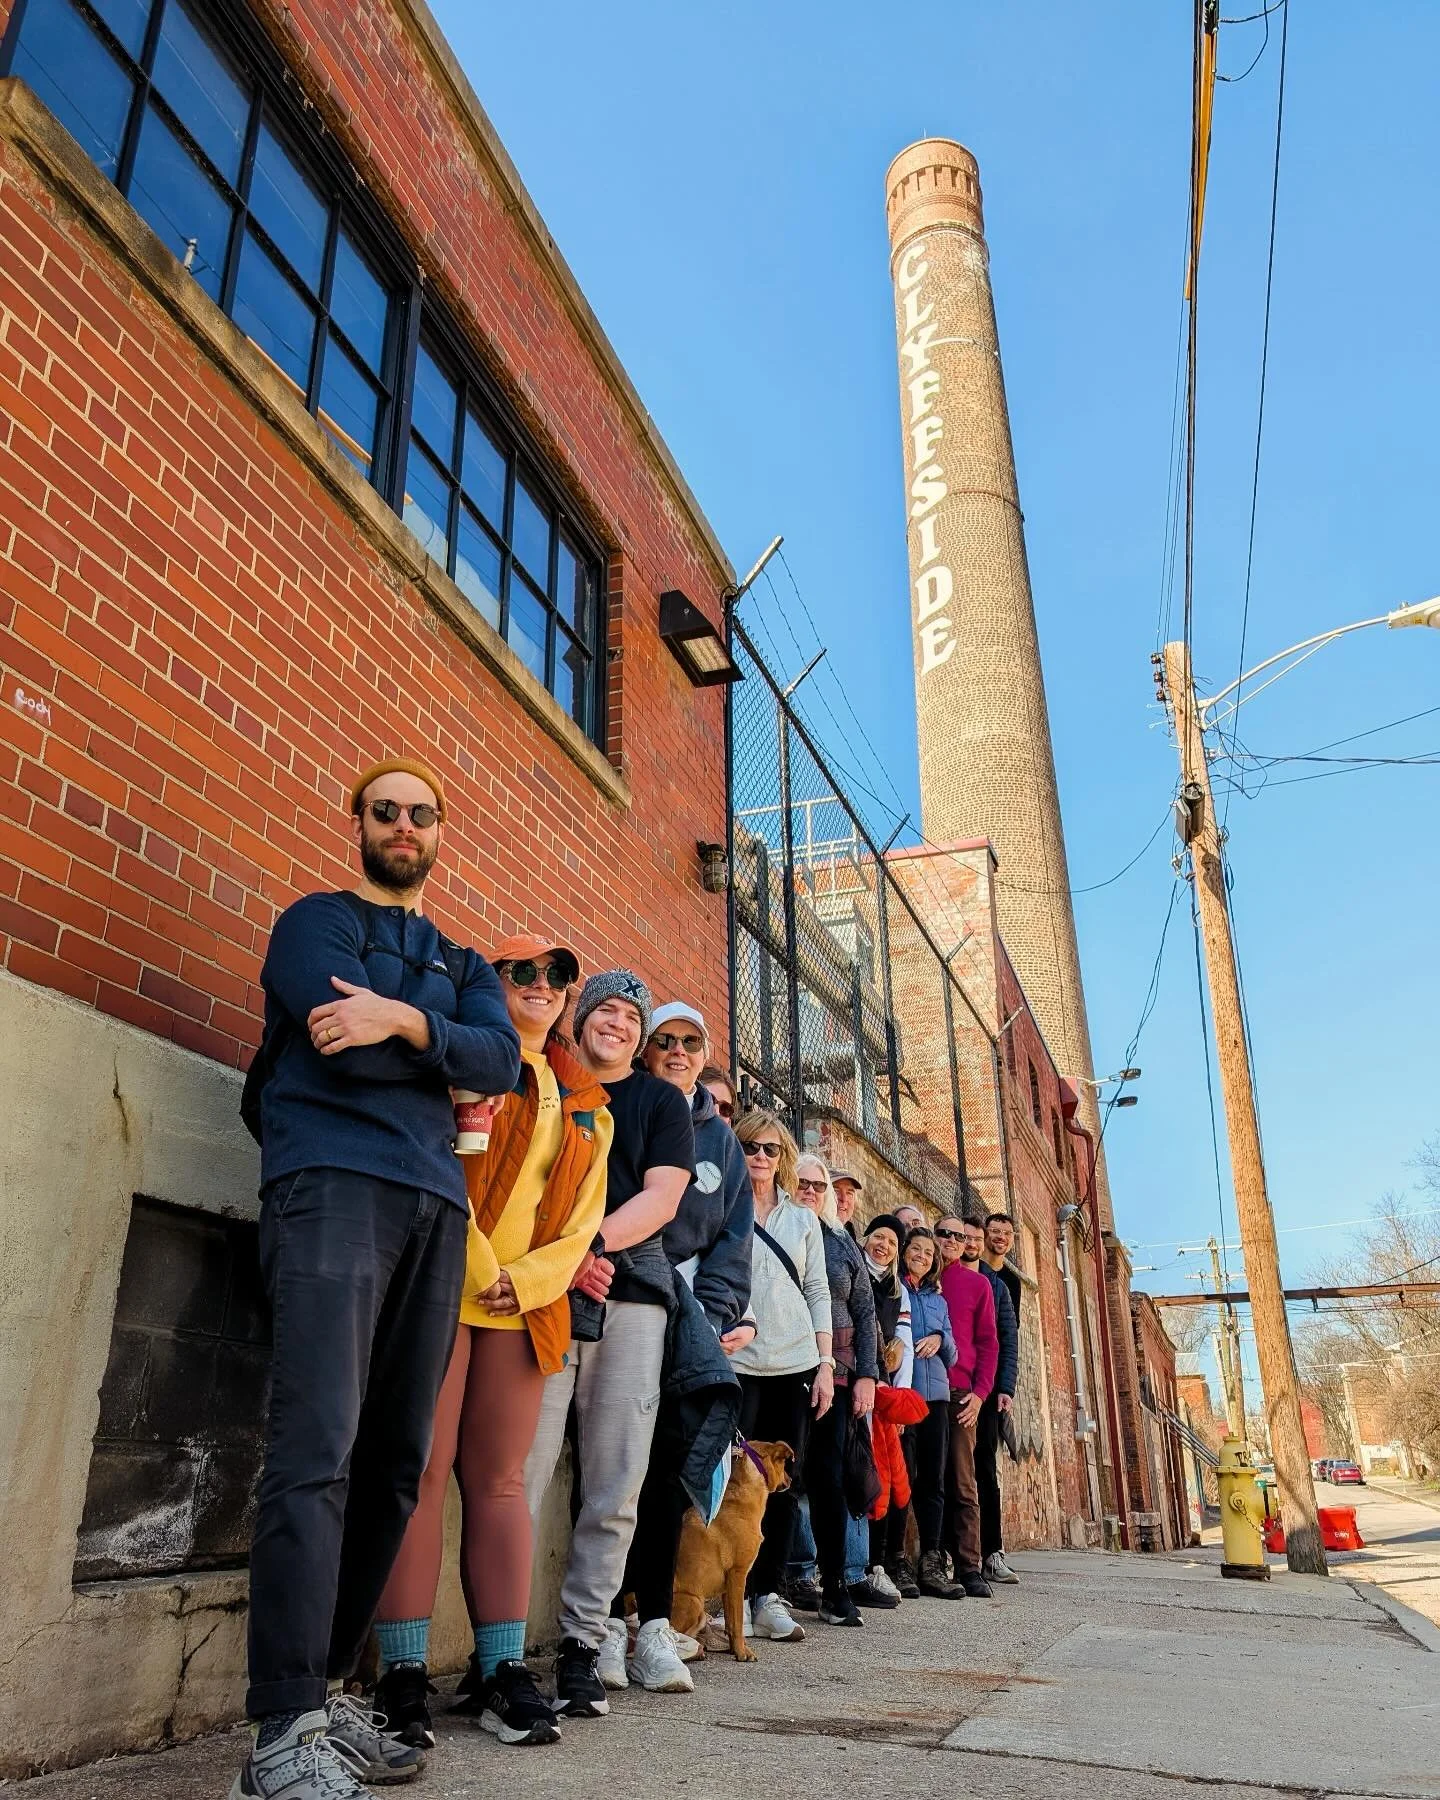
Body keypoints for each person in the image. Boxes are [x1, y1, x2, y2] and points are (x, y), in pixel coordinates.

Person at [234, 759, 521, 1800]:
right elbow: (336, 1047)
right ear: (356, 821)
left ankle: (323, 1694)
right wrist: (444, 1050)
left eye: (421, 813)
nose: (404, 824)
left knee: (396, 1462)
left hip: (437, 1205)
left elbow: (502, 1063)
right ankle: (280, 1734)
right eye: (385, 809)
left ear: (441, 831)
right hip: (330, 1181)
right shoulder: (315, 922)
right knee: (315, 1448)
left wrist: (400, 1021)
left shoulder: (465, 958)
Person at [371, 934, 611, 1749]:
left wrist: (531, 1282)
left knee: (501, 1482)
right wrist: (479, 1265)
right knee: (419, 1471)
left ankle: (502, 1670)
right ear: (492, 981)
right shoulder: (463, 1064)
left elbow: (583, 1221)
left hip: (524, 1306)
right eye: (522, 972)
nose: (543, 984)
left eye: (558, 975)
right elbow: (434, 1159)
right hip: (443, 1283)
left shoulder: (590, 1105)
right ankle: (402, 1674)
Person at [522, 972, 695, 1721]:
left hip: (630, 1301)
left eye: (631, 1015)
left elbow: (662, 1198)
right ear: (582, 1016)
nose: (617, 1023)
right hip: (546, 1293)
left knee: (615, 1482)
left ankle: (583, 1645)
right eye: (605, 1010)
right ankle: (501, 1650)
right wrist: (562, 1260)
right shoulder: (548, 1081)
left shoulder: (659, 1102)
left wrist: (590, 1245)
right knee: (520, 1475)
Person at [605, 1003, 754, 1695]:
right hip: (621, 1292)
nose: (677, 1050)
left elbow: (733, 1241)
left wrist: (714, 1315)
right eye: (664, 1039)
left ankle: (656, 1624)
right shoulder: (624, 1105)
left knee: (669, 1467)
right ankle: (606, 1621)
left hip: (689, 1320)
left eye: (691, 1042)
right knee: (612, 1465)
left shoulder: (722, 1142)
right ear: (646, 1049)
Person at [729, 1111, 834, 1643]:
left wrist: (826, 1364)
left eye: (771, 1149)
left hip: (794, 1360)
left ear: (783, 1157)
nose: (761, 1156)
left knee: (784, 1484)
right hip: (739, 1360)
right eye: (752, 1146)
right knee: (734, 1480)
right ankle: (731, 1594)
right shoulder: (725, 1205)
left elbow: (818, 1290)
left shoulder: (802, 1220)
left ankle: (767, 1593)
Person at [790, 1154, 878, 1628]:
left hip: (838, 1373)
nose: (810, 1191)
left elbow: (865, 1311)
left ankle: (835, 1585)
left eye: (818, 1185)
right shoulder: (774, 1224)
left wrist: (867, 1374)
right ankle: (773, 1583)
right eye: (801, 1182)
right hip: (781, 1364)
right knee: (781, 1473)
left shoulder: (841, 1241)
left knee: (829, 1476)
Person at [900, 1228, 962, 1599]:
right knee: (903, 1478)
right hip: (903, 1396)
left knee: (934, 1482)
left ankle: (932, 1562)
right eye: (916, 1249)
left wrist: (940, 1338)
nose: (922, 1255)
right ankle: (895, 1561)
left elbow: (952, 1355)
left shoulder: (939, 1301)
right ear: (904, 1252)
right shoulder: (896, 1289)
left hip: (936, 1399)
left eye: (928, 1251)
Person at [939, 1220, 999, 1599]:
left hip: (962, 1395)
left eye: (957, 1236)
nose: (950, 1240)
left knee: (963, 1481)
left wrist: (979, 1395)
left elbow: (989, 1343)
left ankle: (969, 1566)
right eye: (943, 1233)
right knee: (926, 1480)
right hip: (923, 1393)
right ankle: (932, 1560)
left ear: (965, 1245)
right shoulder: (920, 1278)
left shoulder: (978, 1285)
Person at [966, 1217, 1020, 1586]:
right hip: (953, 1386)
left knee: (984, 1468)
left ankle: (992, 1552)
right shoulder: (945, 1275)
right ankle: (955, 1554)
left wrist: (1005, 1387)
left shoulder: (1001, 1284)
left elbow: (1008, 1337)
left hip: (985, 1389)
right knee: (952, 1471)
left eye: (1005, 1233)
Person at [830, 1169, 863, 1239]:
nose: (844, 1199)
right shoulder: (813, 1231)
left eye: (849, 1193)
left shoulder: (852, 1240)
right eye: (836, 1191)